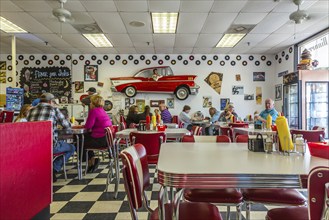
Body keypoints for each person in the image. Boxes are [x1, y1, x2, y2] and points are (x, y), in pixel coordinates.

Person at [26, 93, 75, 182]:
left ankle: (42, 170)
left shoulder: (31, 110)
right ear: (50, 101)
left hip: (33, 147)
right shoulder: (54, 109)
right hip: (50, 146)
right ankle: (53, 169)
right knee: (72, 147)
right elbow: (67, 125)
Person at [84, 95, 113, 173]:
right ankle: (92, 161)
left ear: (93, 103)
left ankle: (91, 162)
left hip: (100, 140)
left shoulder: (93, 111)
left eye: (90, 102)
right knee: (83, 139)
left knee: (80, 141)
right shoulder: (102, 111)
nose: (90, 104)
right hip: (107, 140)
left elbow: (88, 126)